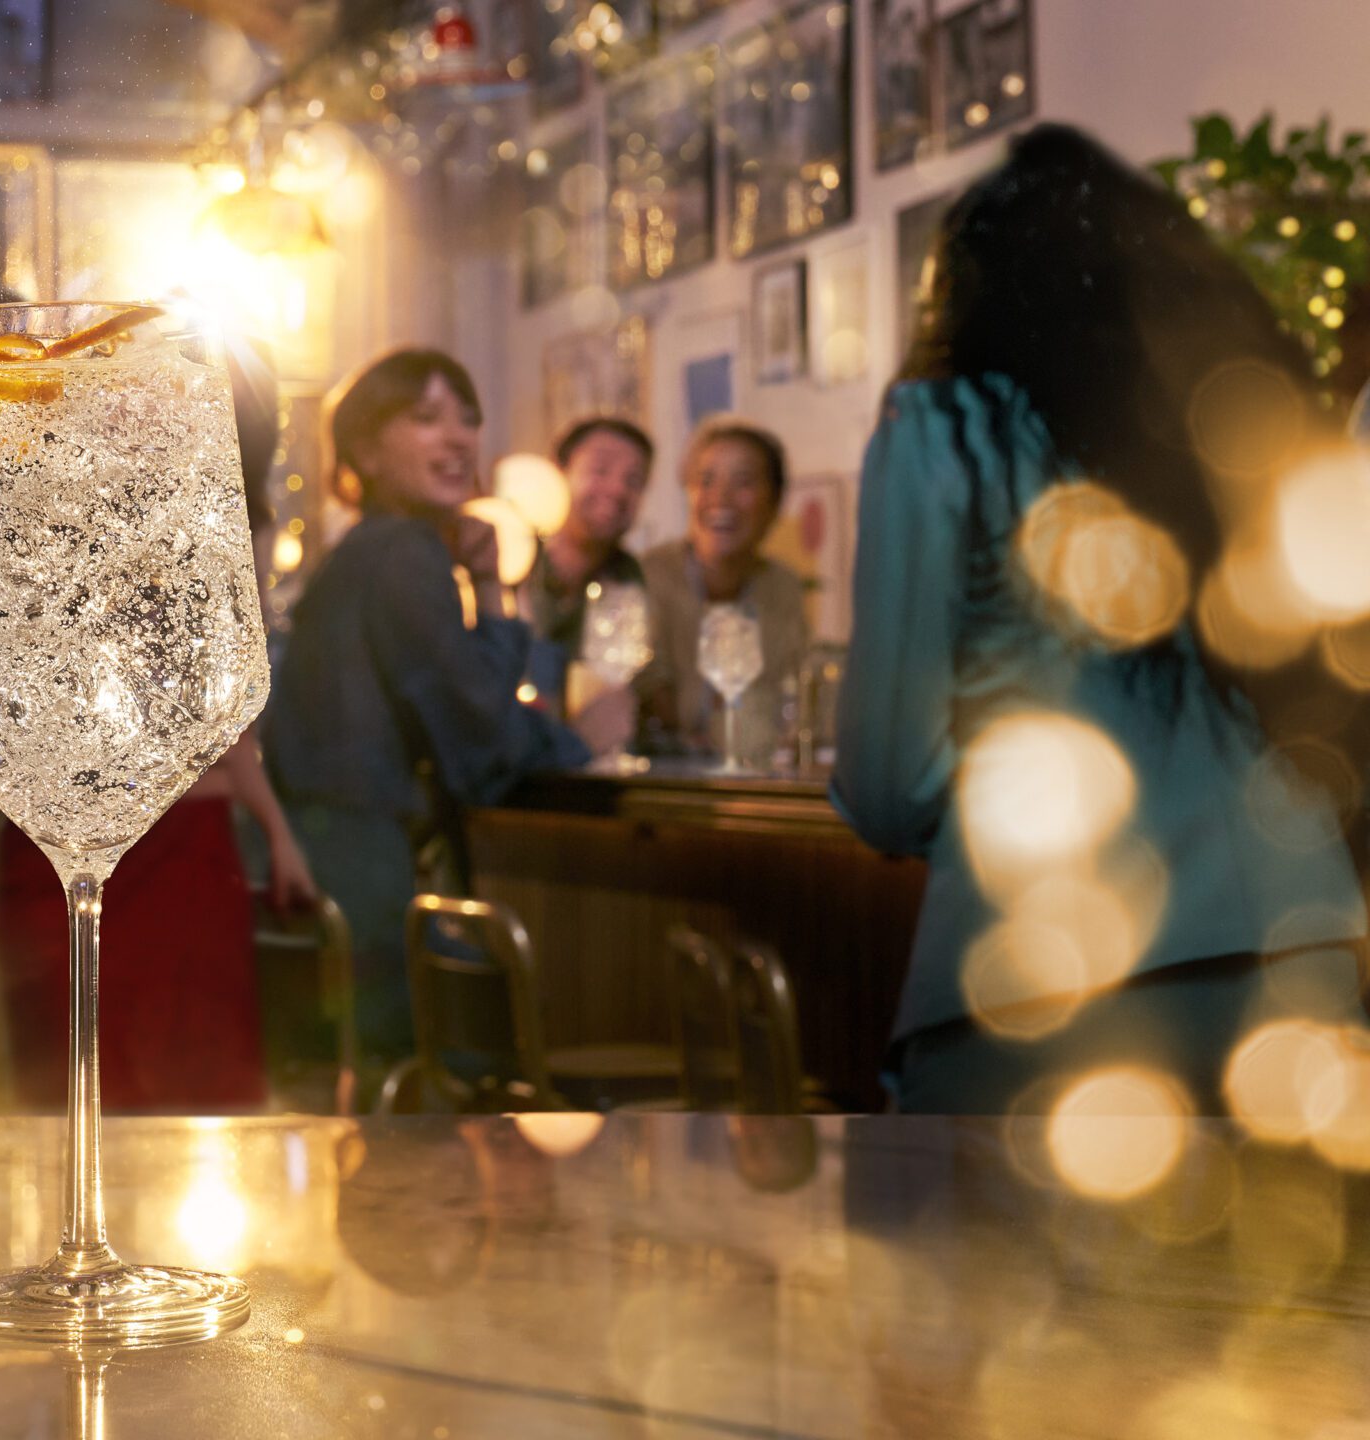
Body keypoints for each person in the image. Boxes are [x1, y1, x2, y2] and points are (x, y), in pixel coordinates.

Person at [835, 124, 1369, 1114]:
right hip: (1304, 953)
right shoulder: (1237, 428)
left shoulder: (945, 429)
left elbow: (884, 784)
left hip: (1048, 964)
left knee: (981, 1262)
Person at [0, 332, 318, 1112]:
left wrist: (274, 829)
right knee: (74, 1081)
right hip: (67, 830)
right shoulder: (54, 502)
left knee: (178, 1082)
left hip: (179, 838)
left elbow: (222, 706)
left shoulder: (228, 520)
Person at [264, 349, 590, 1067]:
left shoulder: (366, 551)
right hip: (366, 872)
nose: (457, 438)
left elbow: (463, 706)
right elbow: (482, 742)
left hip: (328, 864)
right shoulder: (404, 553)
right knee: (434, 1094)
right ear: (366, 450)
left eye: (467, 420)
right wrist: (580, 742)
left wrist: (481, 579)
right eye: (425, 418)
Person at [636, 419, 809, 763]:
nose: (720, 498)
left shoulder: (784, 589)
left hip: (751, 782)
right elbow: (648, 695)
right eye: (705, 480)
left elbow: (792, 701)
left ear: (774, 504)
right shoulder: (649, 576)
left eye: (743, 481)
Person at [517, 416, 654, 660]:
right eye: (600, 470)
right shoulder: (513, 559)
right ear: (559, 473)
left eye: (633, 480)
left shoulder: (628, 576)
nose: (617, 489)